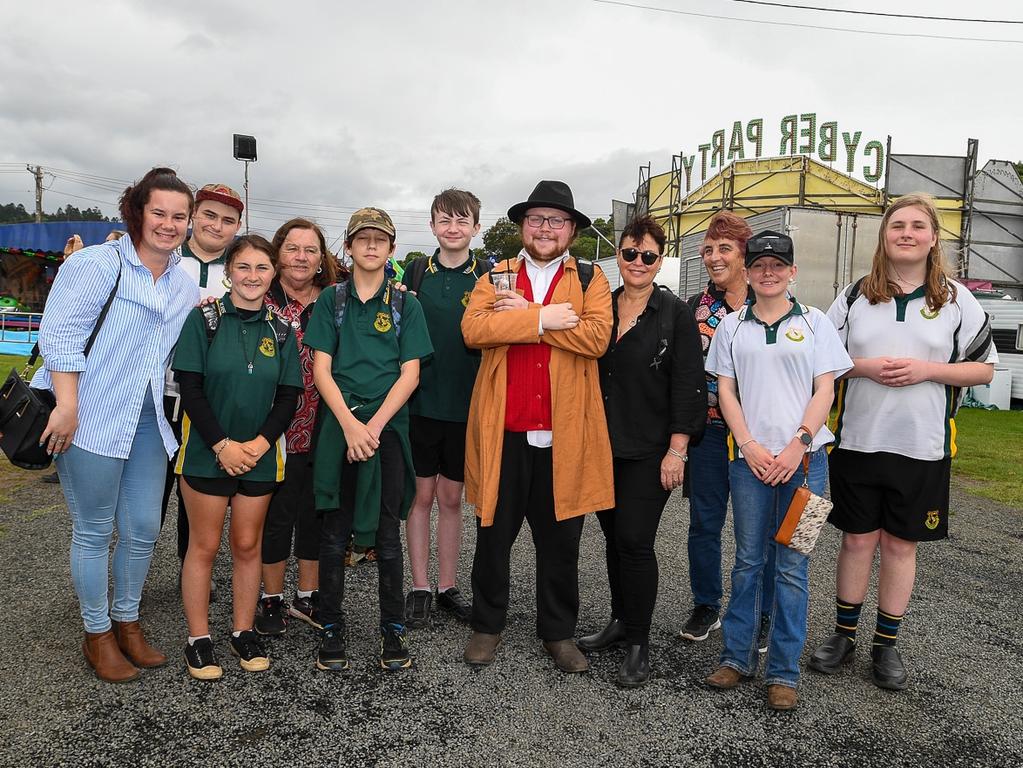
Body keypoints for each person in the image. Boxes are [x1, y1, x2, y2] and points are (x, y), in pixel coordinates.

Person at [808, 193, 996, 691]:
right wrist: (865, 366)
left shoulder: (956, 299)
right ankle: (843, 635)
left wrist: (928, 370)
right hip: (858, 443)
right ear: (884, 237)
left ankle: (885, 645)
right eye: (897, 226)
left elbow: (983, 368)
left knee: (899, 546)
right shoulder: (853, 296)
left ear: (934, 238)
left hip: (922, 448)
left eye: (917, 226)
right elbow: (821, 361)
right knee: (856, 540)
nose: (906, 233)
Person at [31, 167, 199, 683]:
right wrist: (65, 404)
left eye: (178, 216)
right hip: (89, 415)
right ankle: (97, 631)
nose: (168, 225)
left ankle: (127, 622)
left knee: (144, 529)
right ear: (138, 212)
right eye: (159, 213)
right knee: (94, 529)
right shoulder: (96, 264)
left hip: (147, 419)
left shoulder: (183, 279)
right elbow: (58, 334)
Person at [461, 180, 614, 674]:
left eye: (555, 220)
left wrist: (524, 318)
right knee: (492, 534)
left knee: (561, 543)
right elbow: (475, 330)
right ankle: (487, 625)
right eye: (536, 220)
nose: (545, 228)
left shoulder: (591, 279)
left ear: (571, 230)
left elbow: (595, 338)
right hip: (503, 432)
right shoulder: (496, 273)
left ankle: (558, 633)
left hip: (563, 435)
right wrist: (544, 317)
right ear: (522, 227)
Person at [703, 230, 852, 710]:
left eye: (778, 265)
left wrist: (798, 445)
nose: (768, 272)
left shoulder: (814, 323)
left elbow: (824, 390)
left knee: (793, 566)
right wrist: (747, 444)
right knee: (748, 561)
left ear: (792, 271)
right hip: (749, 464)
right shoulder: (731, 326)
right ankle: (736, 658)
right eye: (760, 264)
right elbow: (726, 391)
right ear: (748, 271)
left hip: (808, 465)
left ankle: (783, 672)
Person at [577, 215, 706, 687]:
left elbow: (689, 385)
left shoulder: (674, 314)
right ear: (619, 255)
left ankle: (639, 642)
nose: (637, 262)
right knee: (613, 539)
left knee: (634, 541)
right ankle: (618, 620)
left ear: (660, 259)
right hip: (600, 446)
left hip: (651, 450)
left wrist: (678, 450)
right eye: (630, 252)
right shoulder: (601, 307)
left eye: (648, 255)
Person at [304, 207, 433, 672]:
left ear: (392, 249)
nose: (372, 246)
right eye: (363, 239)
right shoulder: (330, 302)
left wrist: (373, 427)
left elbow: (411, 372)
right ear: (350, 247)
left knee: (387, 535)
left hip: (388, 431)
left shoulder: (405, 305)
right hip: (340, 428)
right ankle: (333, 625)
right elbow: (321, 368)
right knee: (334, 535)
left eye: (381, 239)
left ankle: (392, 629)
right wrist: (351, 426)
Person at [173, 234, 302, 680]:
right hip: (208, 455)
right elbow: (189, 388)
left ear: (274, 274)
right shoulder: (203, 320)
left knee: (248, 546)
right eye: (243, 267)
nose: (252, 277)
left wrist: (261, 444)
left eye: (261, 268)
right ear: (230, 271)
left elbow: (289, 396)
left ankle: (242, 631)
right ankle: (199, 639)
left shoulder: (282, 329)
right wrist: (222, 445)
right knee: (204, 546)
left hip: (260, 457)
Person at [683, 211, 774, 649]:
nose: (713, 257)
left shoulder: (773, 304)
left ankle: (759, 612)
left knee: (759, 530)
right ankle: (706, 603)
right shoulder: (696, 309)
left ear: (745, 254)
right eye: (708, 250)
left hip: (763, 439)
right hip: (711, 433)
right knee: (705, 523)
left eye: (724, 249)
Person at [401, 189, 490, 629]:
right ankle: (419, 585)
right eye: (444, 220)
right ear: (432, 225)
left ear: (476, 226)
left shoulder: (491, 276)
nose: (453, 229)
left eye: (462, 221)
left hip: (468, 406)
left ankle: (447, 586)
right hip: (418, 404)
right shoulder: (414, 273)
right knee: (420, 496)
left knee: (452, 498)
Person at [253, 219, 338, 636]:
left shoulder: (337, 302)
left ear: (321, 258)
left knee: (315, 514)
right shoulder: (259, 299)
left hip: (324, 426)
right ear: (277, 253)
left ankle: (308, 595)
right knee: (275, 518)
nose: (301, 257)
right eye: (292, 248)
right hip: (273, 427)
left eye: (310, 250)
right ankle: (271, 598)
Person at [161, 183, 244, 580]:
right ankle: (131, 584)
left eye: (228, 220)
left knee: (197, 497)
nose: (217, 225)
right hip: (161, 395)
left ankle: (190, 572)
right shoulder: (165, 258)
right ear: (194, 215)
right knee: (149, 498)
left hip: (208, 404)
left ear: (238, 226)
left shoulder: (241, 270)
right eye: (209, 215)